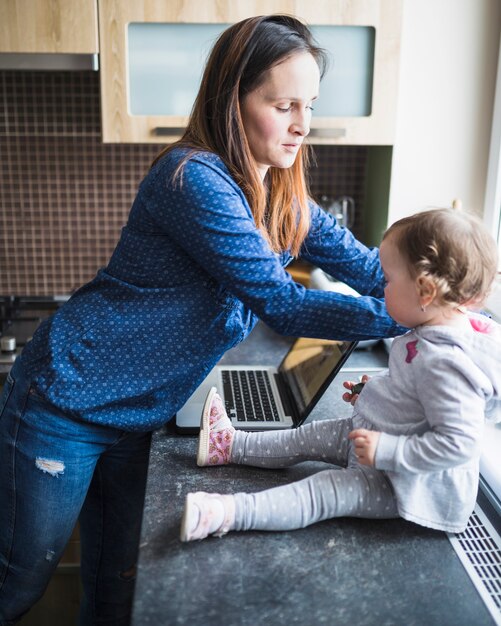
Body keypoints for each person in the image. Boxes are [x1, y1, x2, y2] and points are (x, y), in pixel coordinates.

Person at [0, 15, 404, 625]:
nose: (303, 124)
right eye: (284, 104)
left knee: (115, 590)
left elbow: (367, 267)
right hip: (66, 403)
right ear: (233, 100)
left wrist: (450, 303)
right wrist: (403, 318)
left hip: (139, 414)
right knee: (18, 583)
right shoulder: (194, 179)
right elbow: (282, 302)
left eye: (310, 104)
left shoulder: (284, 197)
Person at [180, 207, 501, 542]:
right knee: (303, 437)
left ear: (425, 291)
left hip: (403, 483)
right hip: (375, 438)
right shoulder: (430, 332)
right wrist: (376, 391)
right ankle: (230, 446)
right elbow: (417, 397)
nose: (382, 287)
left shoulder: (448, 362)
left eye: (389, 280)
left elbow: (458, 444)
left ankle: (225, 515)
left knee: (323, 491)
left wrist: (387, 451)